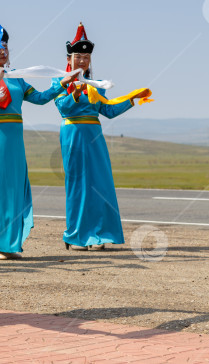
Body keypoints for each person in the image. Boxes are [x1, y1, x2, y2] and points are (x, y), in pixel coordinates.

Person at [0, 19, 78, 260]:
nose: (4, 49)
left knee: (17, 188)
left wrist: (61, 83)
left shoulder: (16, 76)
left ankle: (11, 244)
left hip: (16, 138)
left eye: (6, 44)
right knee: (1, 189)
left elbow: (38, 98)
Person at [53, 24, 149, 251]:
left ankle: (99, 234)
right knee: (78, 185)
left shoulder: (98, 85)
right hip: (73, 134)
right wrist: (74, 94)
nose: (83, 61)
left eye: (86, 57)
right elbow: (62, 108)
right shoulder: (60, 82)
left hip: (95, 136)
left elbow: (108, 111)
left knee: (100, 184)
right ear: (70, 58)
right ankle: (76, 235)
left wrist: (133, 100)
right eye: (79, 56)